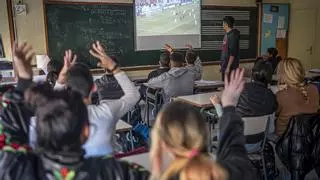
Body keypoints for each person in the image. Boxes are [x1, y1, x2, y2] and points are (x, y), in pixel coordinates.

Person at [0, 42, 149, 179]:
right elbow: (134, 95)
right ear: (86, 131)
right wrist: (114, 67)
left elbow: (8, 135)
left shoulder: (24, 171)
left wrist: (26, 82)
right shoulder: (115, 171)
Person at [150, 68, 257, 180]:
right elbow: (234, 150)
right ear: (204, 133)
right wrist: (229, 106)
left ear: (162, 144)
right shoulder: (234, 172)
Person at [54, 41, 140, 157]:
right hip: (107, 172)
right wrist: (113, 67)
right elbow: (134, 95)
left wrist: (61, 79)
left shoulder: (59, 114)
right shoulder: (107, 111)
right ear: (94, 87)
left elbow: (52, 101)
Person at [276, 58, 319, 136]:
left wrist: (280, 92)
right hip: (309, 134)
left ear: (283, 75)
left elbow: (275, 113)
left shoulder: (281, 95)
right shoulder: (314, 88)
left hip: (285, 136)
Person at [220, 16, 240, 81]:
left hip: (230, 67)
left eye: (223, 23)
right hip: (225, 66)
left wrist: (228, 67)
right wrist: (222, 65)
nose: (222, 25)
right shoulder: (226, 35)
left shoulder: (233, 36)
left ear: (226, 24)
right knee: (224, 85)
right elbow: (225, 51)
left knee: (229, 87)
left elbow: (232, 54)